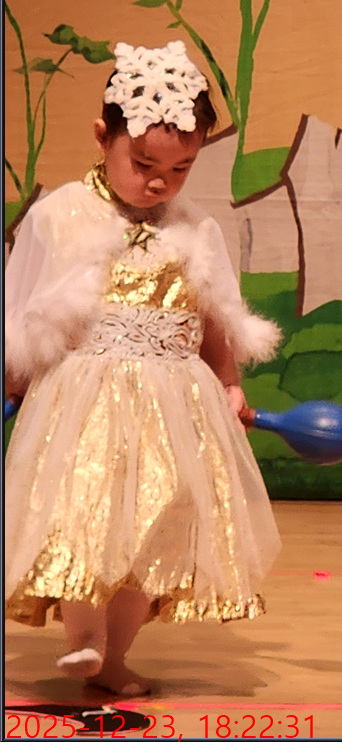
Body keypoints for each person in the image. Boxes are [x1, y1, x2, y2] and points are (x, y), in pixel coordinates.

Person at [4, 42, 282, 696]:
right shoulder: (60, 216)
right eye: (144, 164)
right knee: (83, 514)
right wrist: (12, 382)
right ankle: (84, 638)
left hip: (174, 409)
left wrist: (230, 383)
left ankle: (116, 655)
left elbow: (215, 319)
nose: (160, 182)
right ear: (103, 137)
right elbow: (24, 313)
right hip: (84, 403)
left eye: (181, 168)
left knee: (156, 532)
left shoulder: (196, 229)